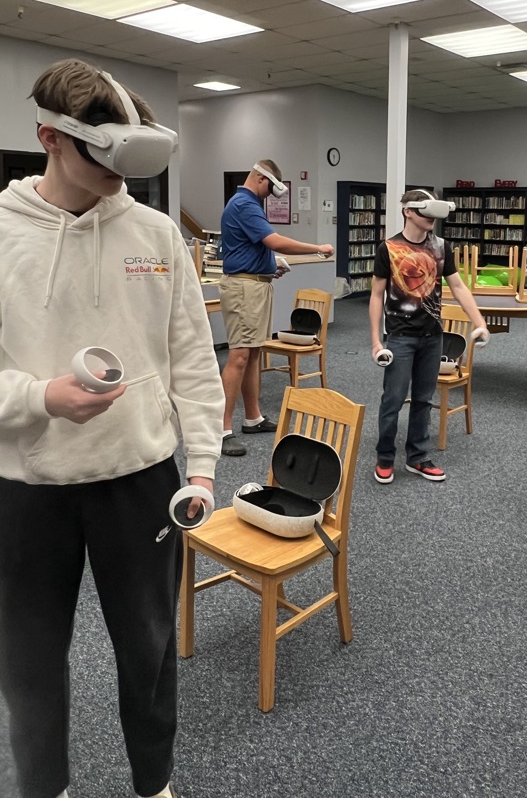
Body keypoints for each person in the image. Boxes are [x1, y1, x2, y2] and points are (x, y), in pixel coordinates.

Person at [0, 59, 225, 798]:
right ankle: (44, 786)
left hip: (140, 479)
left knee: (149, 650)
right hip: (27, 484)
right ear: (50, 139)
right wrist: (40, 398)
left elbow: (194, 360)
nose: (119, 175)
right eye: (103, 157)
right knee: (28, 659)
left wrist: (202, 469)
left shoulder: (157, 235)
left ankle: (153, 784)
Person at [369, 189, 490, 484]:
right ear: (408, 212)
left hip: (432, 336)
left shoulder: (441, 247)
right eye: (426, 212)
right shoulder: (389, 248)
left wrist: (480, 322)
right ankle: (385, 457)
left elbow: (458, 287)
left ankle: (417, 457)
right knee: (393, 399)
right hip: (400, 336)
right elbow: (376, 295)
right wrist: (376, 341)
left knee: (424, 399)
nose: (432, 219)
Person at [218, 161, 334, 456]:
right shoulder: (244, 204)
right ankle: (221, 429)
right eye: (269, 188)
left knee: (254, 353)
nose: (269, 195)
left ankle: (253, 417)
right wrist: (317, 248)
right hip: (244, 288)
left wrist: (269, 265)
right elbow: (274, 241)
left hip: (256, 285)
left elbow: (257, 246)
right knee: (239, 356)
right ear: (260, 177)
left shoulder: (248, 203)